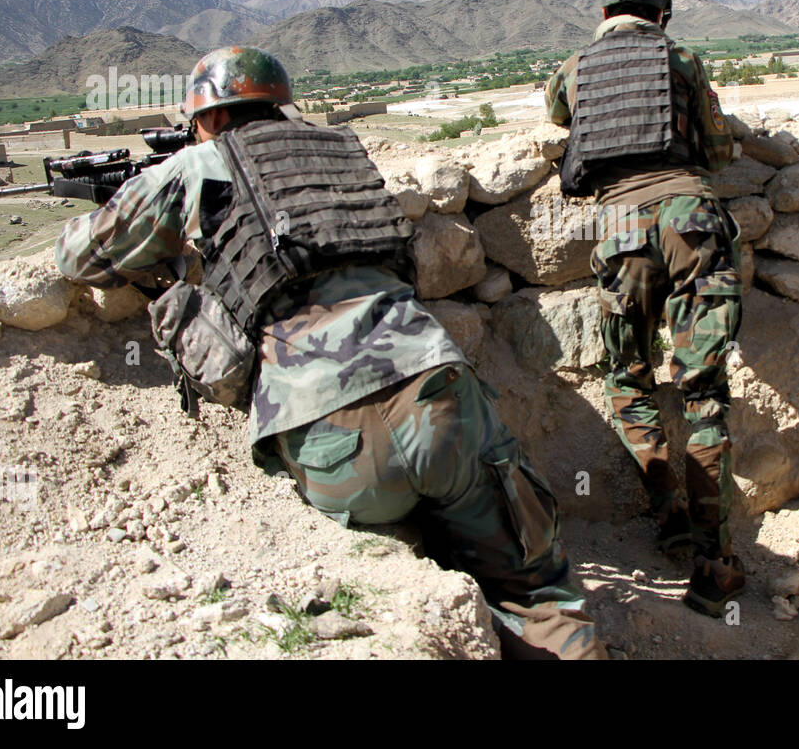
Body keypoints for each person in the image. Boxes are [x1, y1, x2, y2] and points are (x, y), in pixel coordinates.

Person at [55, 45, 604, 659]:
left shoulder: (196, 165)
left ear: (206, 117)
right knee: (535, 588)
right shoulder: (340, 150)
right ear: (280, 103)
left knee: (412, 555)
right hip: (441, 398)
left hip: (330, 443)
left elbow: (79, 257)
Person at [545, 0, 744, 616]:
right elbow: (717, 150)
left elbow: (559, 117)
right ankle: (713, 571)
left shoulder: (573, 70)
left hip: (620, 227)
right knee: (703, 390)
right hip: (692, 220)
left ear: (603, 13)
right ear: (662, 14)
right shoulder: (682, 59)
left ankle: (668, 514)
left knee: (628, 373)